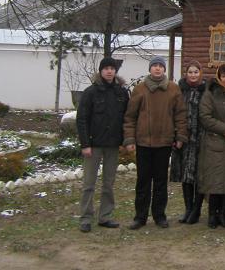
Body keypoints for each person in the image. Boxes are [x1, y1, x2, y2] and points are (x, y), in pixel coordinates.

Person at [123, 56, 186, 230]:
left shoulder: (173, 89)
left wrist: (180, 136)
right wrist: (129, 139)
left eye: (160, 66)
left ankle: (159, 215)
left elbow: (180, 115)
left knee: (160, 182)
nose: (157, 69)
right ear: (150, 69)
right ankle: (140, 217)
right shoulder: (140, 89)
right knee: (143, 181)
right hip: (143, 143)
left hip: (164, 143)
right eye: (154, 66)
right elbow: (130, 117)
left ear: (164, 69)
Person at [77, 57, 129, 233]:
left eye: (112, 68)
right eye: (106, 68)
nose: (109, 71)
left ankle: (105, 216)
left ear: (115, 71)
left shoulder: (121, 93)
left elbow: (126, 119)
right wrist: (85, 144)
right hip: (94, 144)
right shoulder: (90, 93)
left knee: (108, 184)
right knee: (89, 184)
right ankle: (86, 217)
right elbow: (82, 119)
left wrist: (125, 141)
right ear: (100, 71)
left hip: (113, 145)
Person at [198, 63, 225, 229]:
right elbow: (205, 117)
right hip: (214, 142)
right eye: (224, 76)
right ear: (219, 77)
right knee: (215, 181)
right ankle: (212, 214)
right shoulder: (210, 93)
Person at [170, 60, 206, 226]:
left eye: (196, 72)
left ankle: (196, 210)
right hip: (184, 139)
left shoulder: (205, 91)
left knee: (199, 175)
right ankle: (188, 208)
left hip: (201, 138)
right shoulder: (179, 91)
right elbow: (174, 113)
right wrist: (177, 135)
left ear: (200, 73)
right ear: (186, 73)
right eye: (190, 72)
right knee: (186, 175)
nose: (193, 75)